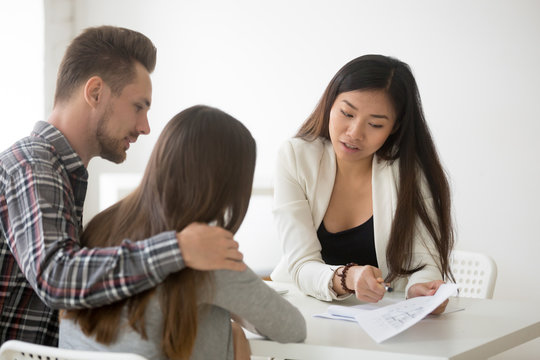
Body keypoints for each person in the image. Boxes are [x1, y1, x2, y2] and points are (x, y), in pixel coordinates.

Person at [0, 26, 245, 346]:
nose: (145, 127)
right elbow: (56, 279)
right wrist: (179, 248)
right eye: (138, 107)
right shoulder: (34, 165)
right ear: (96, 92)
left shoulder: (58, 171)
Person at [58, 105, 307, 360]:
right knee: (234, 336)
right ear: (227, 185)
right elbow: (293, 329)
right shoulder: (207, 253)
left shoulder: (101, 225)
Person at [270, 55, 454, 314]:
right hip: (304, 309)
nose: (355, 132)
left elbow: (426, 261)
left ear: (394, 127)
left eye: (375, 124)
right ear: (330, 103)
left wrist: (421, 290)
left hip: (381, 317)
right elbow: (301, 265)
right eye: (347, 113)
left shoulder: (409, 173)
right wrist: (349, 277)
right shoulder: (296, 157)